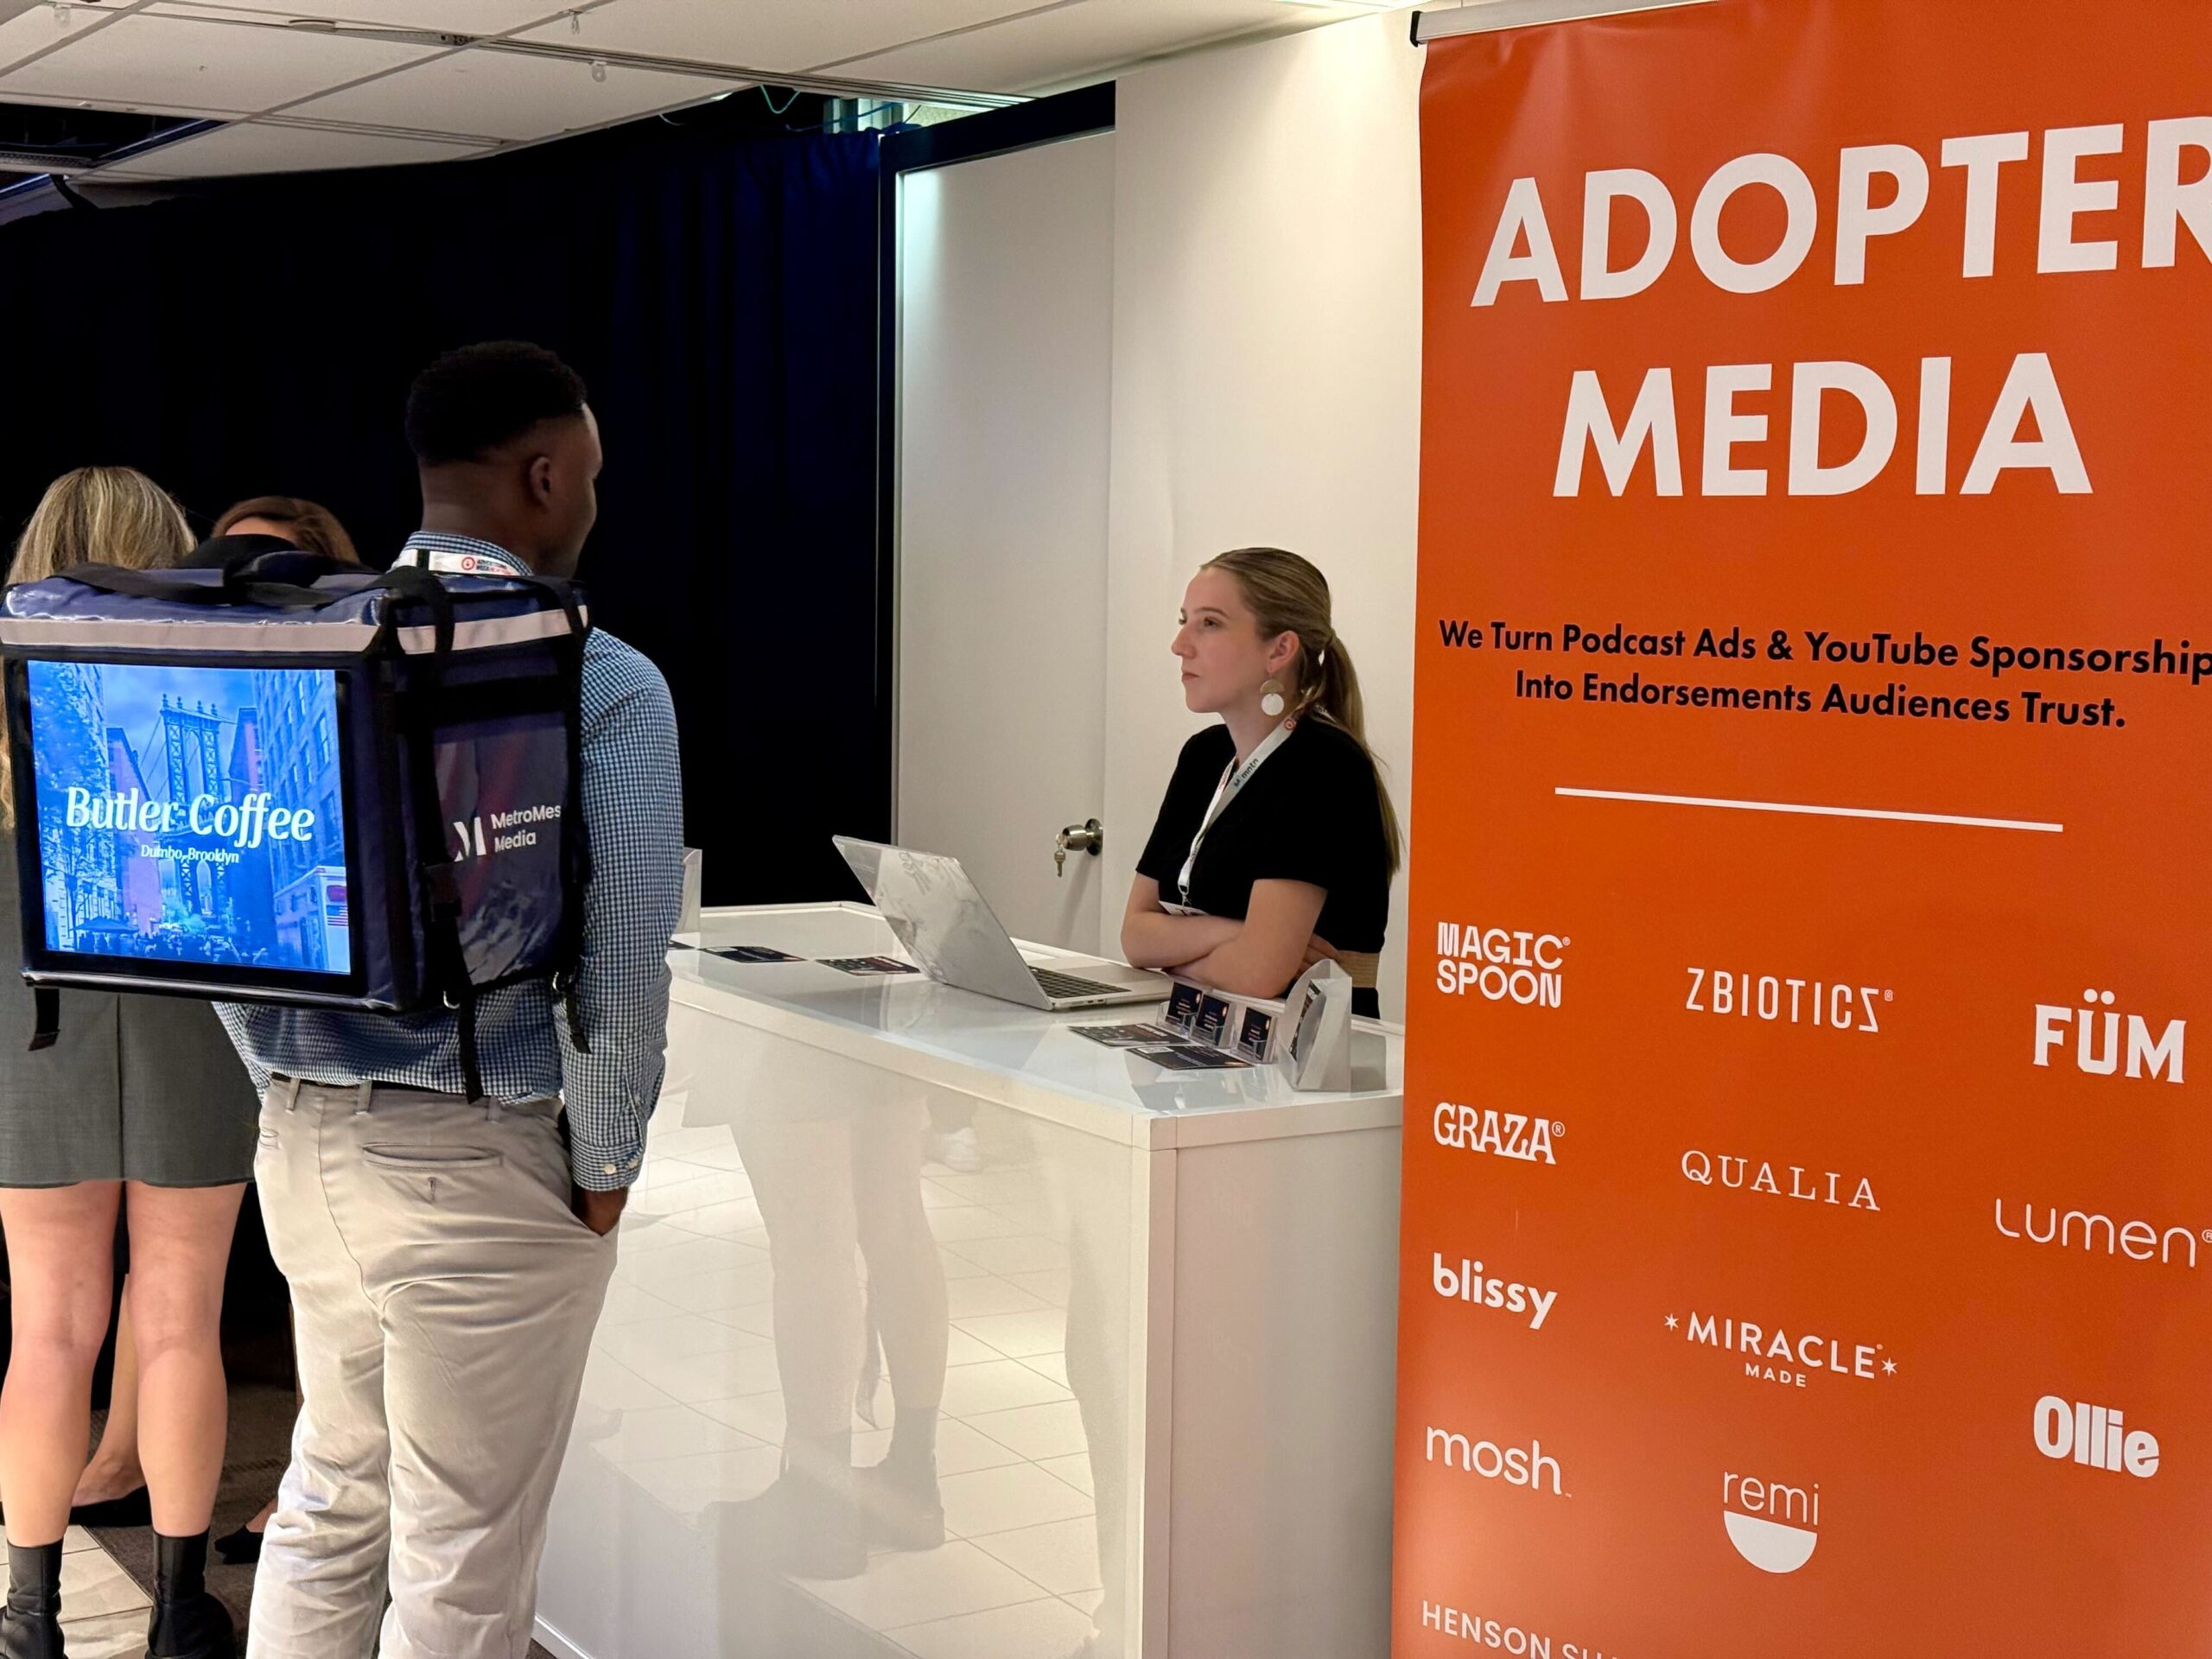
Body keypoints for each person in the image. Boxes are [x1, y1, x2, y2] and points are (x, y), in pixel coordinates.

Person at [216, 341, 685, 1659]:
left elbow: (219, 915)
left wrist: (288, 1086)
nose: (593, 502)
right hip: (484, 1155)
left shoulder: (307, 644)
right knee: (463, 1560)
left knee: (328, 1498)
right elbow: (621, 955)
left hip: (305, 1146)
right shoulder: (602, 679)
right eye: (587, 476)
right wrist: (606, 1161)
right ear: (542, 477)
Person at [63, 494, 362, 1570]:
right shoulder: (195, 695)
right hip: (226, 1028)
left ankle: (304, 1489)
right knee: (183, 1278)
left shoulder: (337, 692)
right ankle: (127, 1460)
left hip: (335, 1053)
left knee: (309, 1286)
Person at [0, 467, 257, 1659]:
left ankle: (29, 1617)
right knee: (181, 1324)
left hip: (29, 1033)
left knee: (46, 1332)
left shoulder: (3, 702)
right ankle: (179, 1612)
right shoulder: (224, 695)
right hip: (190, 1023)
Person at [1122, 546, 1402, 1020]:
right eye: (1184, 619)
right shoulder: (1204, 755)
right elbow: (1134, 935)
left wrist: (1177, 954)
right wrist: (1235, 933)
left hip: (1305, 1060)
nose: (1180, 644)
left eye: (1208, 623)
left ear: (1280, 650)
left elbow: (1258, 973)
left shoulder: (1323, 764)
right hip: (1206, 1035)